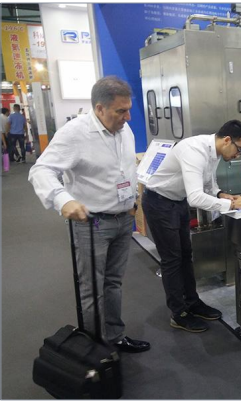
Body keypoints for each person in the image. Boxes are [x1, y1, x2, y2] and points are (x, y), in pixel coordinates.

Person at [28, 76, 151, 353]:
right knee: (92, 287)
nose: (128, 117)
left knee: (113, 283)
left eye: (128, 110)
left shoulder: (124, 130)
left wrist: (132, 201)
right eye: (121, 111)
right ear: (99, 108)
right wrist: (63, 199)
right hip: (91, 223)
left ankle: (114, 337)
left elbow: (124, 170)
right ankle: (94, 350)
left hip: (122, 219)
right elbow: (41, 170)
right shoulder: (75, 133)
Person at [142, 120, 241, 333]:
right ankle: (179, 313)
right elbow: (195, 197)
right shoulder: (195, 150)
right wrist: (232, 205)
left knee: (186, 255)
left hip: (177, 201)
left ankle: (192, 302)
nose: (237, 155)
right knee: (172, 259)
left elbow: (209, 185)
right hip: (159, 202)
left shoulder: (215, 153)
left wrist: (222, 195)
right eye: (238, 149)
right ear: (227, 140)